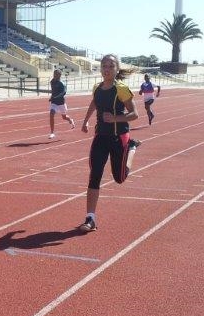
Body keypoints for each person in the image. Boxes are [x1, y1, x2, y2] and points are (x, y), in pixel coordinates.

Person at [78, 54, 140, 232]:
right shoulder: (97, 88)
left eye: (111, 66)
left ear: (117, 69)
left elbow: (135, 114)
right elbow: (94, 103)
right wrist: (85, 121)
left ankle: (132, 148)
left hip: (118, 137)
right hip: (100, 137)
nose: (107, 69)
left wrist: (114, 118)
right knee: (94, 175)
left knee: (119, 178)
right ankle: (90, 218)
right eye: (104, 66)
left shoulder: (121, 89)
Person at [48, 69, 75, 139]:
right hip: (54, 102)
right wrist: (52, 97)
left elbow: (63, 92)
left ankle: (70, 120)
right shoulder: (52, 82)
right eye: (54, 74)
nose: (54, 75)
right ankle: (52, 133)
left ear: (59, 75)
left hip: (61, 103)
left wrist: (56, 96)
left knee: (64, 117)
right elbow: (53, 91)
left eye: (56, 74)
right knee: (51, 114)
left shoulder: (62, 83)